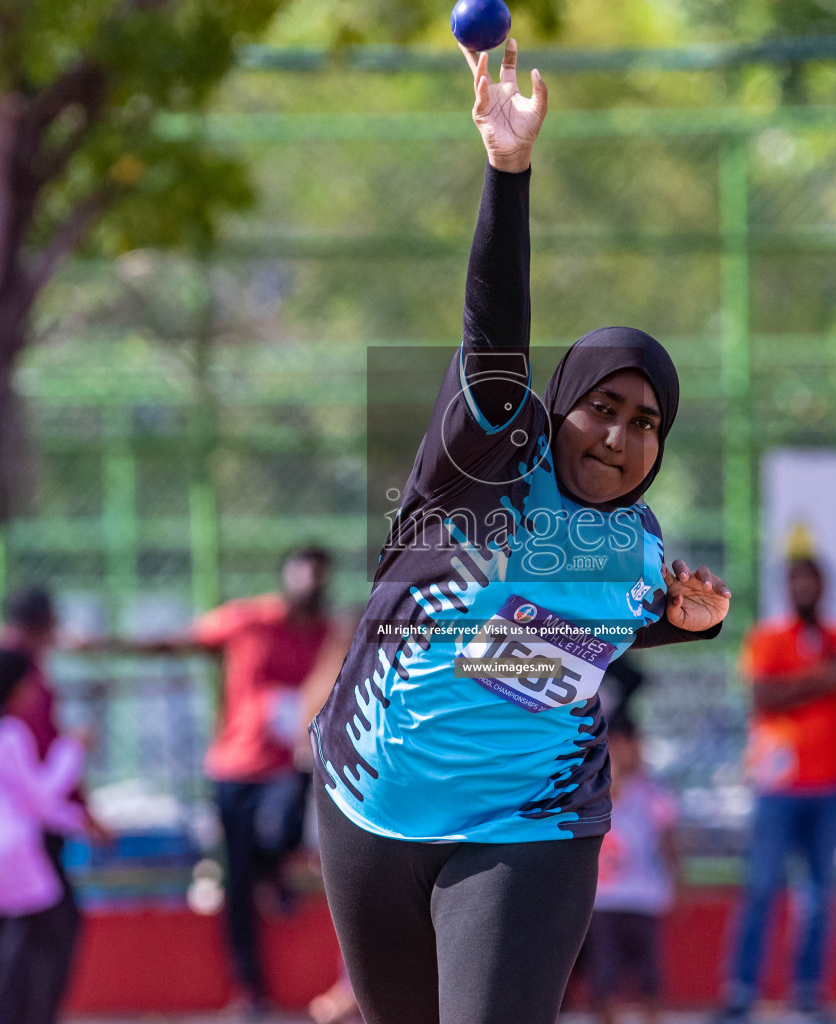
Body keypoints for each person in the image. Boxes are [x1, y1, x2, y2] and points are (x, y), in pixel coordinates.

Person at [308, 38, 730, 1024]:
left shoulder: (633, 546)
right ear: (559, 403)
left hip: (528, 827)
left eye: (645, 423)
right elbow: (493, 331)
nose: (618, 436)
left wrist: (695, 623)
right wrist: (509, 173)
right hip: (377, 799)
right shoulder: (485, 461)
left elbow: (592, 631)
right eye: (602, 407)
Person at [80, 546, 340, 1015]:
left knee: (280, 831)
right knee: (236, 881)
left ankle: (273, 870)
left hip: (291, 765)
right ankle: (250, 988)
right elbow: (176, 642)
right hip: (235, 768)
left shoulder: (329, 636)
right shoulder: (248, 621)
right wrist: (104, 644)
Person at [715, 555, 836, 1024]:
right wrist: (826, 677)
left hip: (831, 784)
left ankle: (807, 992)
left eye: (812, 580)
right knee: (760, 888)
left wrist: (797, 686)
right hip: (777, 785)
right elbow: (764, 696)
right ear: (786, 587)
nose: (804, 588)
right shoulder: (768, 639)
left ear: (824, 586)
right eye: (796, 580)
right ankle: (740, 991)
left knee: (820, 897)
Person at [0, 587, 102, 1024]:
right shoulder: (11, 728)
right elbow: (40, 796)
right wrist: (74, 751)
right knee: (49, 932)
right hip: (17, 848)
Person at [584, 714, 680, 1024]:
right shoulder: (594, 787)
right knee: (604, 974)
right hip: (604, 898)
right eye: (617, 745)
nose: (626, 752)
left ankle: (651, 1016)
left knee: (649, 974)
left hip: (644, 898)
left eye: (632, 745)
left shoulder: (653, 791)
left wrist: (676, 881)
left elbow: (667, 839)